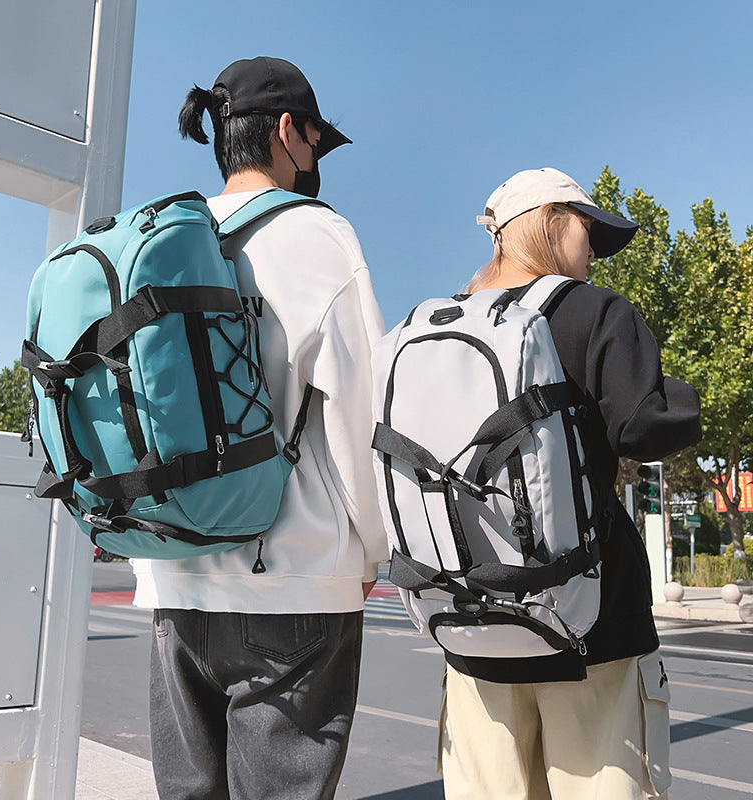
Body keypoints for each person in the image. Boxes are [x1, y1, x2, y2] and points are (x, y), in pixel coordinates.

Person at [131, 56, 389, 800]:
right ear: (286, 132)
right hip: (293, 587)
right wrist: (373, 551)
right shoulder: (319, 236)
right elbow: (357, 412)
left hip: (172, 578)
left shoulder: (164, 238)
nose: (315, 160)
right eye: (315, 140)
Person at [437, 168, 702, 800]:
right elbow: (646, 427)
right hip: (595, 625)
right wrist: (681, 397)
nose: (592, 253)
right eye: (587, 231)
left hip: (476, 627)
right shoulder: (598, 311)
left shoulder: (449, 322)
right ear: (552, 223)